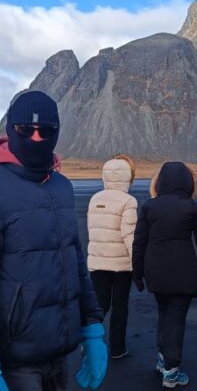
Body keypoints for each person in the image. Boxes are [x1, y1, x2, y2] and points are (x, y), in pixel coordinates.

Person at [0, 91, 107, 391]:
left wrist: (92, 329)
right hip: (13, 360)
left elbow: (74, 261)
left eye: (45, 131)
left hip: (61, 352)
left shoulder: (61, 187)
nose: (36, 138)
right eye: (25, 129)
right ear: (10, 129)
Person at [132, 161, 197, 388]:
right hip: (183, 270)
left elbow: (138, 244)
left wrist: (138, 274)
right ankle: (171, 370)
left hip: (156, 270)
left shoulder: (149, 207)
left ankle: (164, 359)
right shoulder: (192, 207)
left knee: (164, 313)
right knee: (176, 319)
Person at [86, 154, 138, 360]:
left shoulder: (95, 199)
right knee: (119, 306)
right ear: (127, 177)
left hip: (98, 261)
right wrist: (138, 262)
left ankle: (90, 343)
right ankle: (117, 348)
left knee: (99, 305)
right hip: (121, 264)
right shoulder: (128, 201)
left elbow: (93, 230)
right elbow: (129, 234)